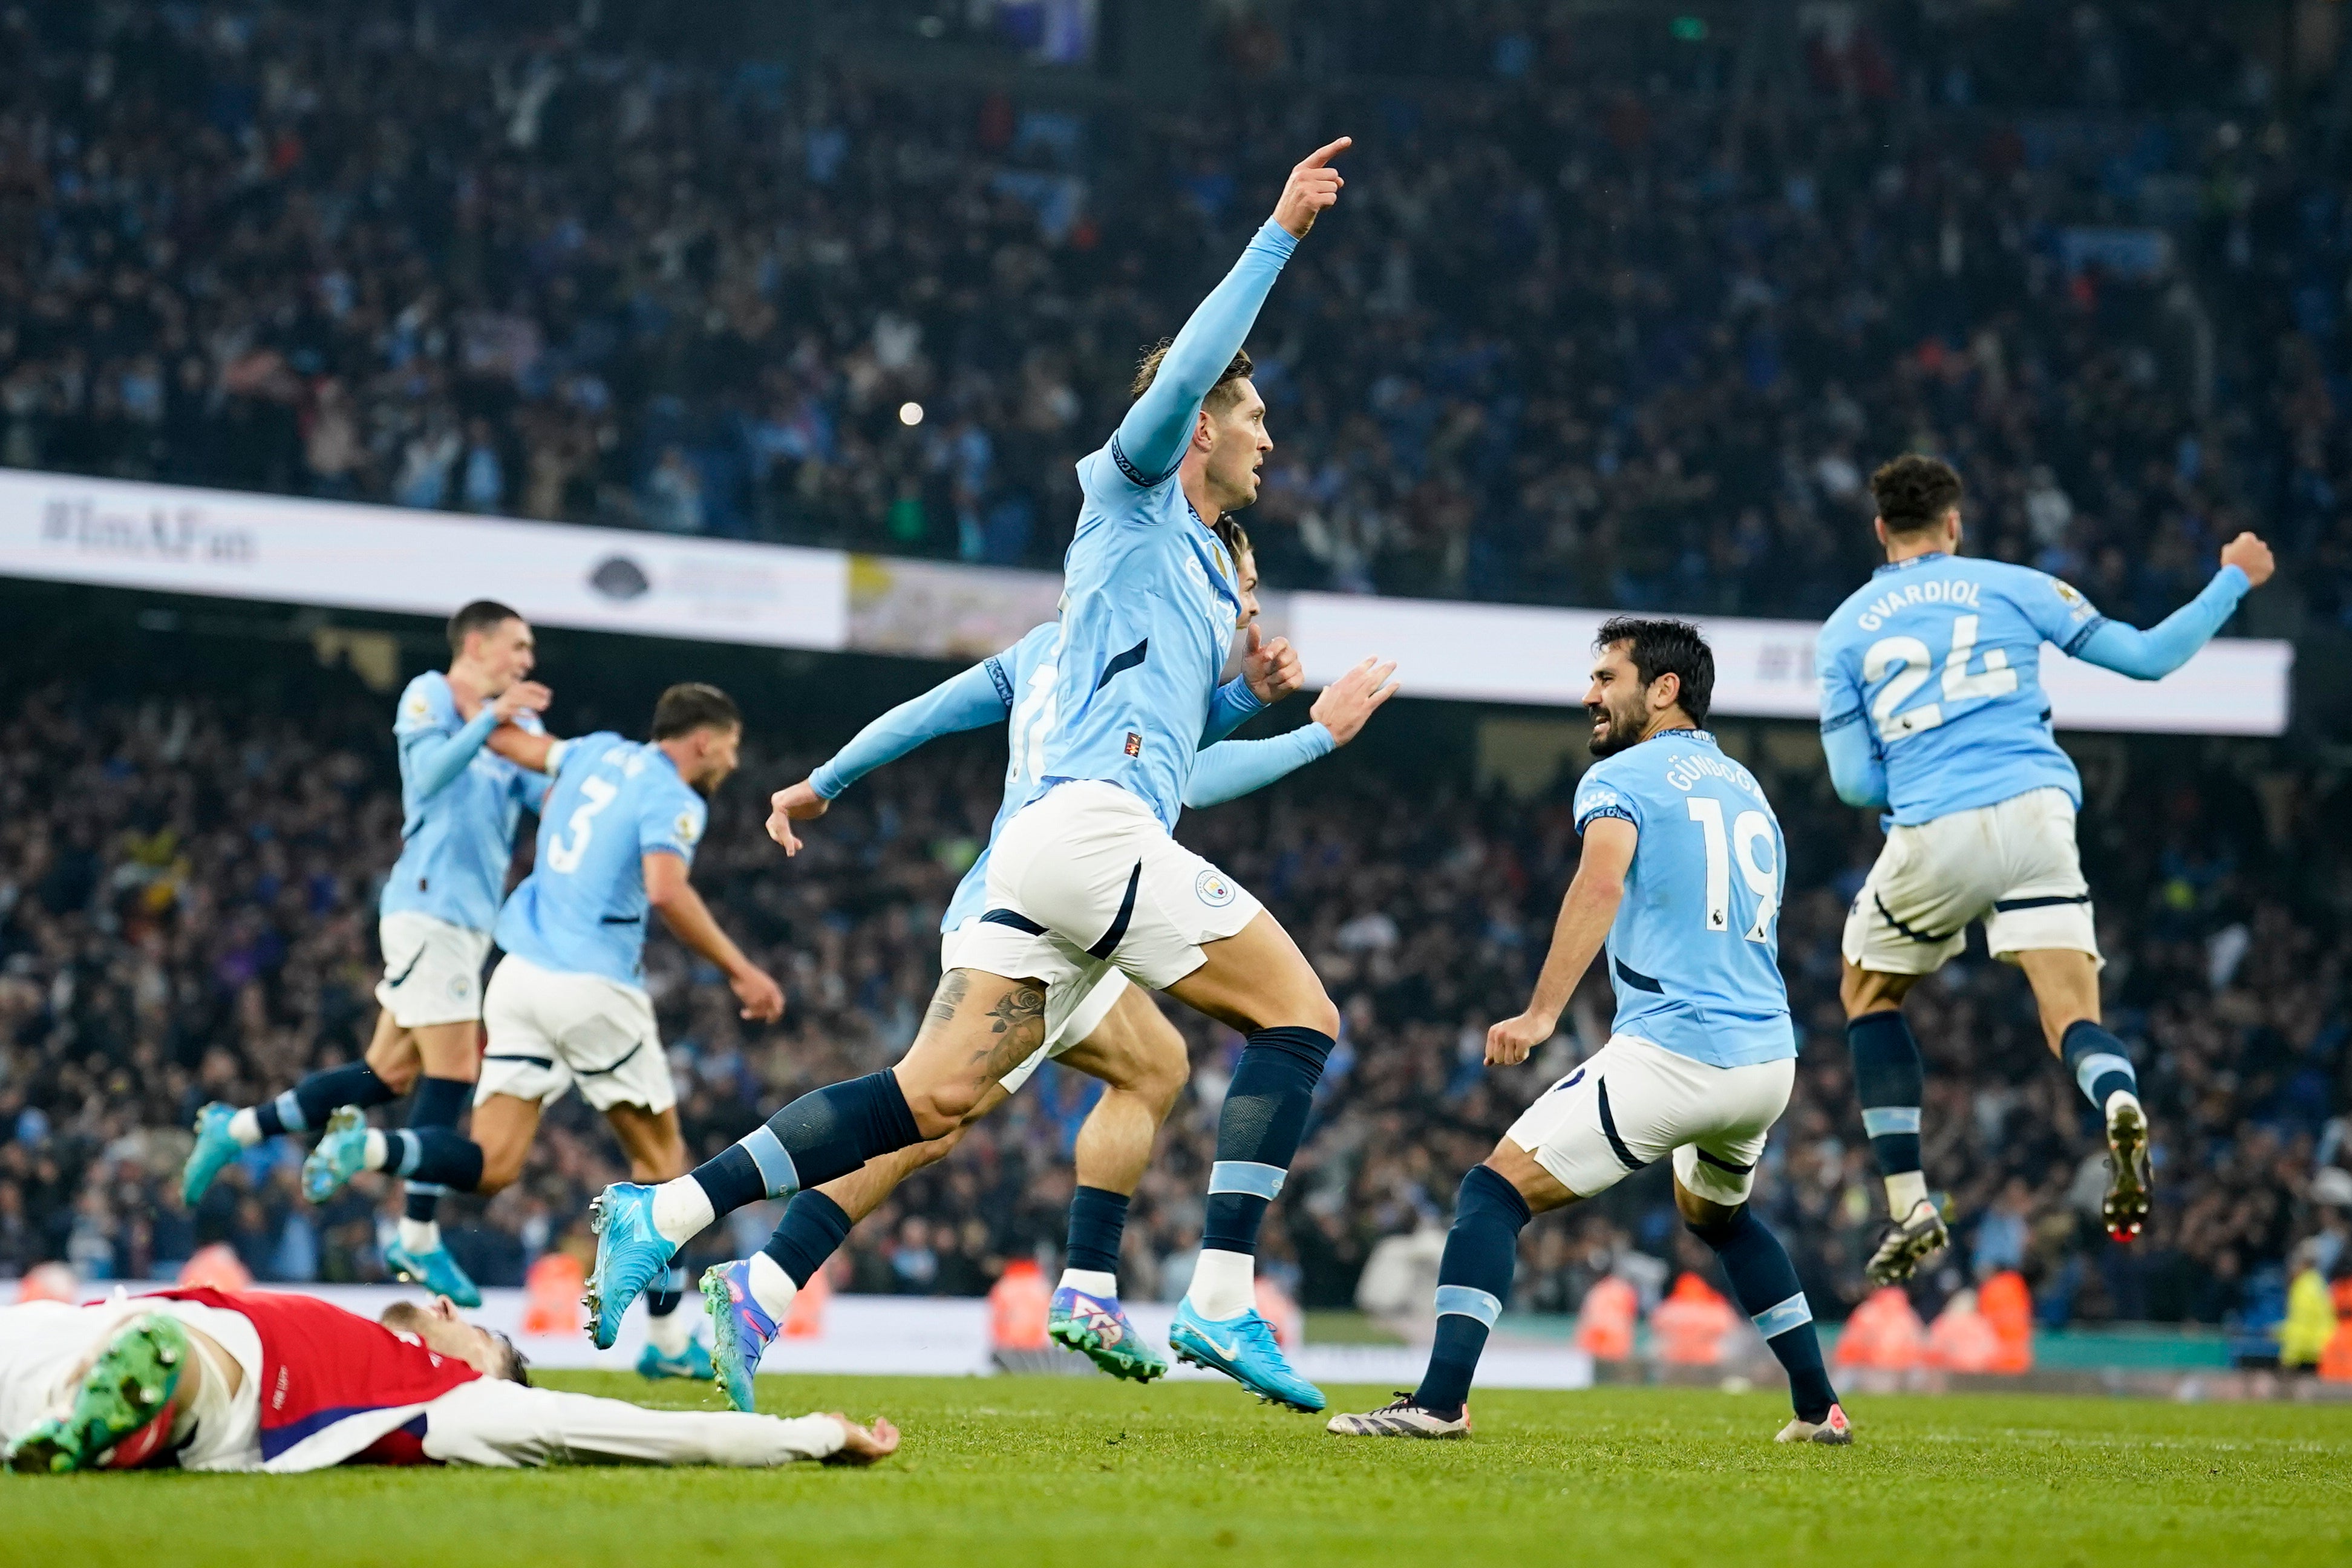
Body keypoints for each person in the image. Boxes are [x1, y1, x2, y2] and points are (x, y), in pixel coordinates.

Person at [584, 137, 1354, 1414]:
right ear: (1206, 415)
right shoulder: (1133, 490)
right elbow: (1197, 368)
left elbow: (1173, 746)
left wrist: (1252, 697)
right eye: (1255, 415)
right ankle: (1217, 1303)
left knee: (927, 1099)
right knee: (1301, 1021)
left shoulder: (1211, 572)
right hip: (1089, 838)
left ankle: (665, 1210)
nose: (1269, 439)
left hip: (1057, 856)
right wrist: (1278, 232)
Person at [704, 524, 1397, 1409]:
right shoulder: (1149, 645)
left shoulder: (1043, 656)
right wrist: (1313, 736)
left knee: (1148, 1067)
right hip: (1043, 904)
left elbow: (931, 715)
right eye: (1246, 580)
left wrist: (825, 780)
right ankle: (753, 1279)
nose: (1252, 603)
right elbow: (1184, 779)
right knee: (928, 1113)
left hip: (1031, 892)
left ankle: (1087, 1291)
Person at [1327, 618, 1851, 1445]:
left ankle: (1438, 1401)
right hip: (1768, 1060)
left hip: (1679, 1051)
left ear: (1665, 688)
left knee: (1491, 1193)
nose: (1589, 694)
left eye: (1607, 678)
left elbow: (1601, 883)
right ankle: (1820, 1407)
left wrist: (1541, 1014)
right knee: (1721, 1220)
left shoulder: (1627, 776)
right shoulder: (1745, 785)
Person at [1818, 456, 2276, 1282]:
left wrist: (1922, 777)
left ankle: (1911, 1201)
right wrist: (2231, 581)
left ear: (1881, 529)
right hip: (2038, 811)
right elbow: (2147, 659)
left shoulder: (1845, 629)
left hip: (1935, 824)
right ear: (1956, 524)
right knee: (2069, 1013)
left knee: (1868, 993)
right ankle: (2119, 1101)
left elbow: (1853, 783)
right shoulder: (2016, 585)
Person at [303, 683, 785, 1382]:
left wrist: (477, 702)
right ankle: (669, 1337)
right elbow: (665, 889)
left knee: (493, 1164)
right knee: (663, 1168)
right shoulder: (673, 796)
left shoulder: (591, 753)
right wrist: (742, 971)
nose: (733, 764)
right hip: (594, 988)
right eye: (732, 748)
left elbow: (509, 742)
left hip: (519, 977)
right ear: (704, 739)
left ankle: (370, 1143)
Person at [181, 600, 554, 1307]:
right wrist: (489, 719)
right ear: (476, 644)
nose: (528, 661)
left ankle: (235, 1127)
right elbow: (430, 778)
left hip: (469, 923)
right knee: (451, 1070)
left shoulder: (518, 722)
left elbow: (545, 790)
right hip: (426, 909)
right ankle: (415, 1236)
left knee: (384, 1076)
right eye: (518, 646)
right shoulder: (431, 696)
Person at [2, 1289, 893, 1474]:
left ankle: (124, 1407)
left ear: (492, 1371)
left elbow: (649, 1433)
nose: (443, 1304)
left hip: (212, 1376)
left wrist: (811, 1434)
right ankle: (81, 1415)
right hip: (85, 1326)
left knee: (175, 1354)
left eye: (474, 1326)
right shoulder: (363, 1329)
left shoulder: (463, 1402)